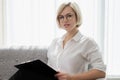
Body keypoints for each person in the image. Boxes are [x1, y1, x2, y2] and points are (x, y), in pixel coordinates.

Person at [47, 2, 106, 80]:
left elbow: (101, 72)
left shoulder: (87, 42)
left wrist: (71, 78)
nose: (65, 20)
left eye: (69, 16)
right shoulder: (54, 43)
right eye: (61, 17)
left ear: (77, 17)